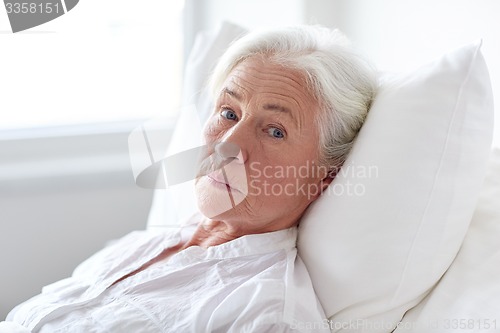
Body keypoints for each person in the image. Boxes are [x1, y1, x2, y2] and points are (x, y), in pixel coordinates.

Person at [2, 25, 377, 332]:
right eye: (228, 112)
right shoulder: (140, 246)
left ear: (324, 178)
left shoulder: (265, 316)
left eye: (275, 131)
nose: (229, 145)